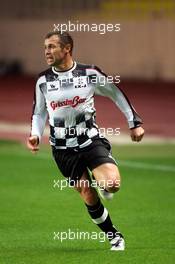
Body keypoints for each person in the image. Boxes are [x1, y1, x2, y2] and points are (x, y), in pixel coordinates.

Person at [27, 31, 144, 251]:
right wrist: (34, 134)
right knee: (88, 194)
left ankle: (104, 184)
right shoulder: (43, 80)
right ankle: (114, 236)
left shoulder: (89, 73)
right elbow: (39, 112)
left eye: (52, 47)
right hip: (62, 149)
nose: (47, 52)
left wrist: (134, 122)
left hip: (90, 140)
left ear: (67, 48)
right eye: (45, 47)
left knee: (112, 184)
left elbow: (115, 93)